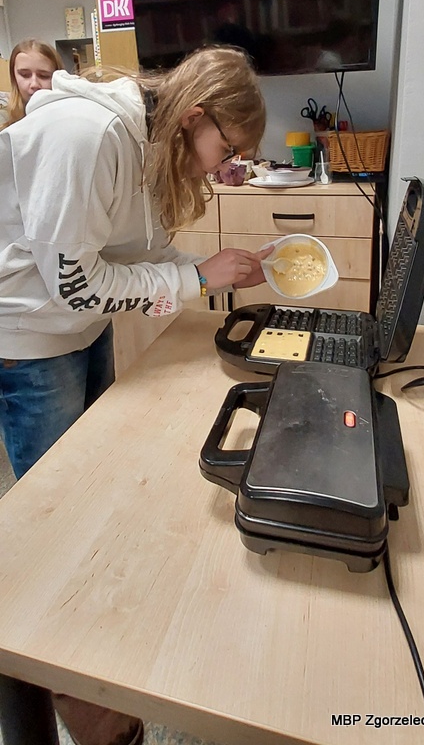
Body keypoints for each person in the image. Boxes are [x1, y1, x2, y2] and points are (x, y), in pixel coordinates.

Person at [0, 44, 272, 745]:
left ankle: (93, 655)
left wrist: (203, 271)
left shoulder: (143, 144)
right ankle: (73, 696)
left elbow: (125, 255)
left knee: (88, 493)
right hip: (29, 334)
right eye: (226, 148)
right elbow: (77, 281)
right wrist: (193, 278)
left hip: (76, 326)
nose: (223, 167)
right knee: (54, 521)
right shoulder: (86, 137)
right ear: (195, 116)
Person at [0, 38, 64, 130]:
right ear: (14, 77)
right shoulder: (3, 119)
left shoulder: (67, 114)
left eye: (44, 76)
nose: (34, 84)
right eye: (25, 75)